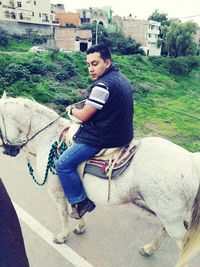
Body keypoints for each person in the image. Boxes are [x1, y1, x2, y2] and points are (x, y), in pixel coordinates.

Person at [55, 43, 134, 220]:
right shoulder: (120, 78)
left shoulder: (102, 86)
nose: (90, 69)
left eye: (95, 63)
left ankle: (80, 201)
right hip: (124, 134)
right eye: (88, 64)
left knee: (62, 165)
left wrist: (70, 110)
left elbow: (83, 116)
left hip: (103, 138)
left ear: (107, 63)